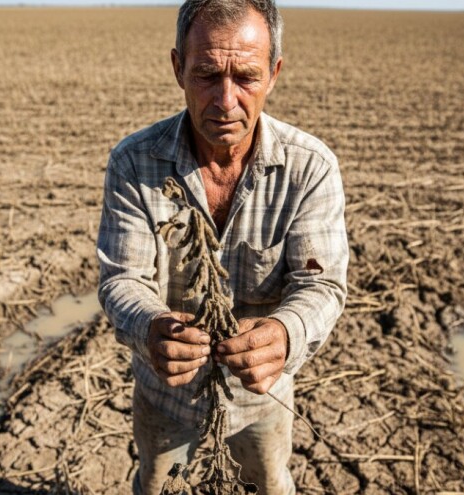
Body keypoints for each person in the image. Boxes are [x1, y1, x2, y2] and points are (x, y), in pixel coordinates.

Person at [96, 0, 348, 493]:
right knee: (155, 485)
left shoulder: (309, 167)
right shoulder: (134, 162)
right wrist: (153, 327)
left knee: (270, 484)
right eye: (208, 75)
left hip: (261, 399)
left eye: (246, 77)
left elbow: (321, 284)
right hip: (165, 397)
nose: (226, 99)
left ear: (274, 74)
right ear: (178, 69)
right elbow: (122, 278)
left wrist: (284, 332)